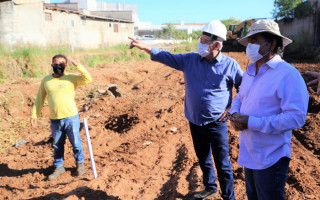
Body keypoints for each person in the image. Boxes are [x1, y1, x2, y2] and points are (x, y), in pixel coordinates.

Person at [129, 20, 243, 200]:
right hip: (195, 120)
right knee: (203, 158)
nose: (200, 43)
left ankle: (229, 197)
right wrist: (145, 48)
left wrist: (230, 110)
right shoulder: (190, 60)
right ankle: (210, 187)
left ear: (217, 44)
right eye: (201, 38)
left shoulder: (230, 65)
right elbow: (166, 56)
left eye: (204, 40)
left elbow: (243, 89)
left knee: (222, 163)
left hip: (217, 123)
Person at [227, 19, 309, 200]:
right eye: (250, 42)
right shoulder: (249, 72)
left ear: (272, 43)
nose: (250, 46)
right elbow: (240, 97)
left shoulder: (287, 74)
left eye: (255, 41)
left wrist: (250, 122)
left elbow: (296, 117)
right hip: (249, 153)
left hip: (271, 159)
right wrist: (234, 115)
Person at [30, 55, 92, 181]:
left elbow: (88, 79)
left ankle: (80, 164)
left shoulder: (71, 78)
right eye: (56, 63)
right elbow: (39, 98)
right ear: (51, 65)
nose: (58, 65)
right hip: (55, 119)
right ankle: (59, 167)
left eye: (61, 63)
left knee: (76, 142)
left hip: (71, 118)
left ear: (66, 65)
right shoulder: (46, 80)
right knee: (57, 144)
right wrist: (34, 115)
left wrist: (78, 66)